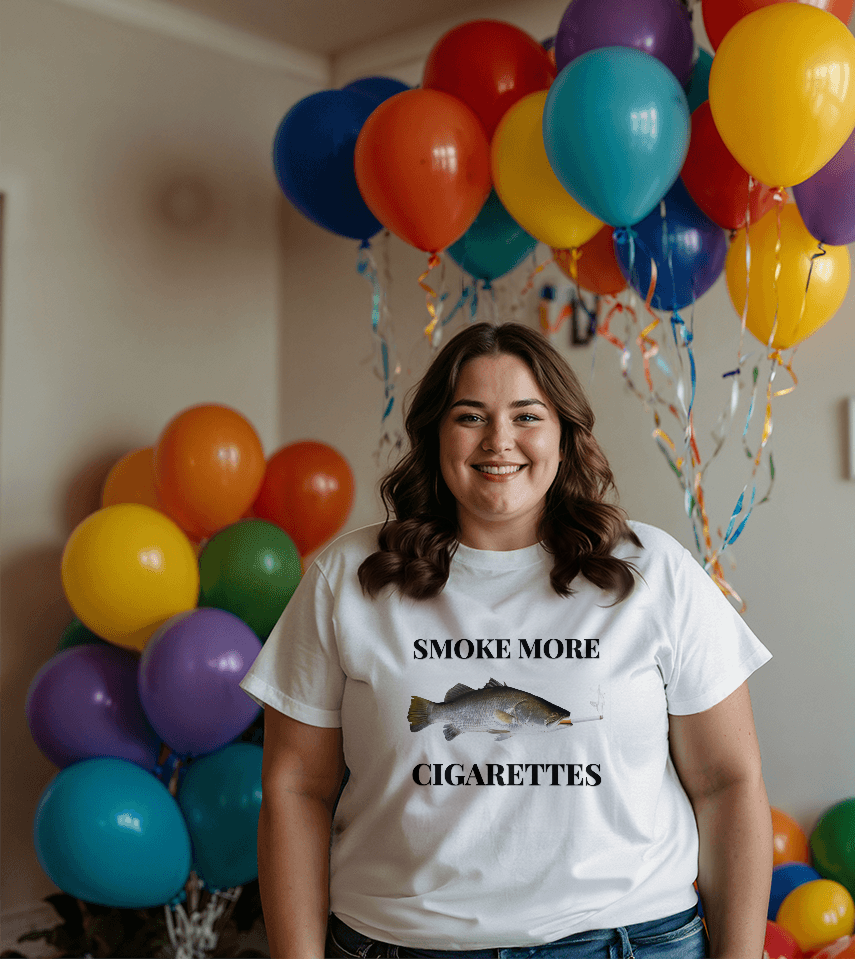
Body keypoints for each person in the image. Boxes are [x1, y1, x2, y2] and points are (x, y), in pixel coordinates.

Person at [241, 321, 773, 959]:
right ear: (437, 432)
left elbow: (727, 783)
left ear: (563, 433)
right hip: (400, 944)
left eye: (527, 415)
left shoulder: (654, 570)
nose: (500, 441)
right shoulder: (349, 578)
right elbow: (296, 787)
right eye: (471, 416)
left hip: (628, 941)